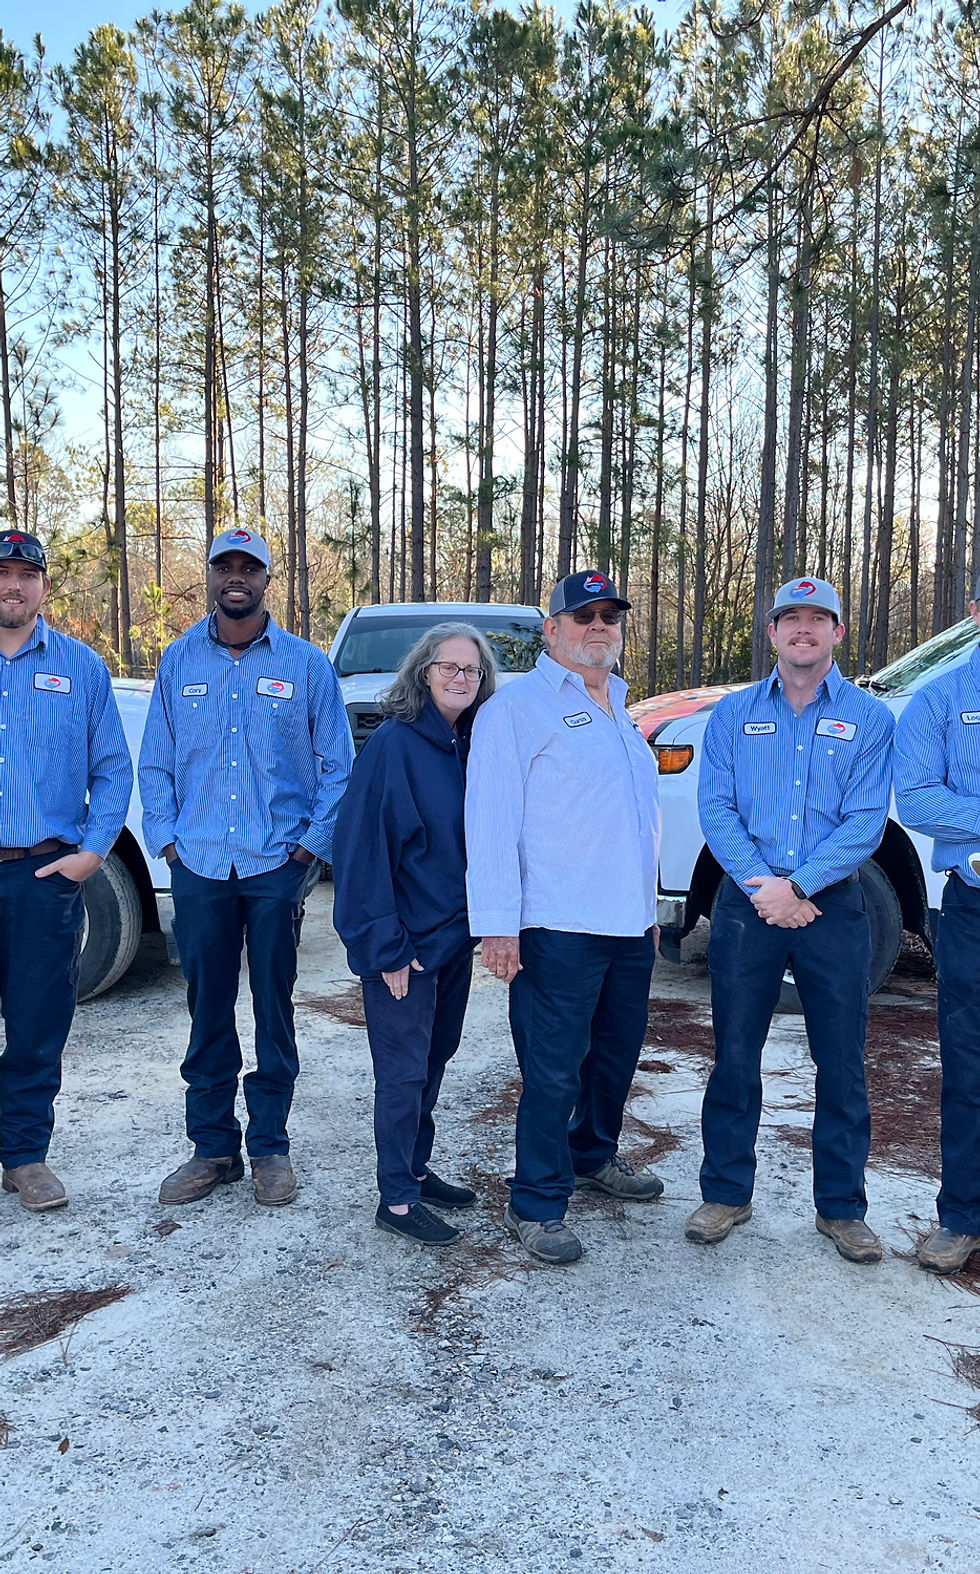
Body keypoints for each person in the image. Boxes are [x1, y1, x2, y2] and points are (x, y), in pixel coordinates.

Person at [139, 528, 353, 1209]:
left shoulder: (306, 666)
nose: (237, 577)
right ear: (210, 576)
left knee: (272, 1009)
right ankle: (211, 1149)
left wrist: (308, 850)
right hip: (199, 863)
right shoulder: (177, 663)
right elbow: (156, 764)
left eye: (249, 567)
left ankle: (269, 1147)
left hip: (273, 867)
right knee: (207, 1010)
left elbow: (337, 767)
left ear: (266, 578)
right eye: (225, 566)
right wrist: (168, 842)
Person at [688, 576, 894, 1263]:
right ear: (771, 632)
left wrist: (799, 885)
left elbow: (866, 823)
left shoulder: (869, 720)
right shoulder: (732, 715)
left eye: (819, 620)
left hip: (831, 907)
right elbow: (716, 809)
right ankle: (725, 1194)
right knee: (735, 1056)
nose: (804, 630)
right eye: (791, 619)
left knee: (840, 1062)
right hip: (749, 907)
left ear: (839, 633)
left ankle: (841, 1209)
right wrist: (764, 887)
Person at [465, 570, 663, 1266]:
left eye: (610, 616)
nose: (599, 627)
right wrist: (498, 925)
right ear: (550, 630)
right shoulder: (517, 711)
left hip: (629, 927)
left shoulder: (623, 712)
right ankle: (537, 1200)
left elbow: (634, 824)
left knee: (613, 1059)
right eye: (583, 617)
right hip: (558, 928)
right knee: (553, 1073)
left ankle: (592, 1155)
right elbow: (489, 822)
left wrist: (652, 911)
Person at [332, 624, 496, 1245]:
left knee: (433, 1061)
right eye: (449, 667)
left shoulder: (469, 743)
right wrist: (386, 950)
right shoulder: (394, 747)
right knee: (401, 1074)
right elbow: (362, 854)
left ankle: (416, 1170)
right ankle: (395, 1200)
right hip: (405, 948)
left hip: (454, 941)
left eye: (472, 671)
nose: (461, 678)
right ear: (423, 672)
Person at [0, 529, 132, 1212]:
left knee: (36, 1022)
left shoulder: (80, 669)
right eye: (1, 573)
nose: (11, 586)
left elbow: (112, 768)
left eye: (25, 574)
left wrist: (91, 852)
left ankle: (24, 1156)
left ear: (45, 586)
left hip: (43, 875)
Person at [894, 582, 980, 1273]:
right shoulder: (940, 698)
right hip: (974, 907)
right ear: (975, 612)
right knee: (969, 1068)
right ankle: (962, 1217)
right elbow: (918, 795)